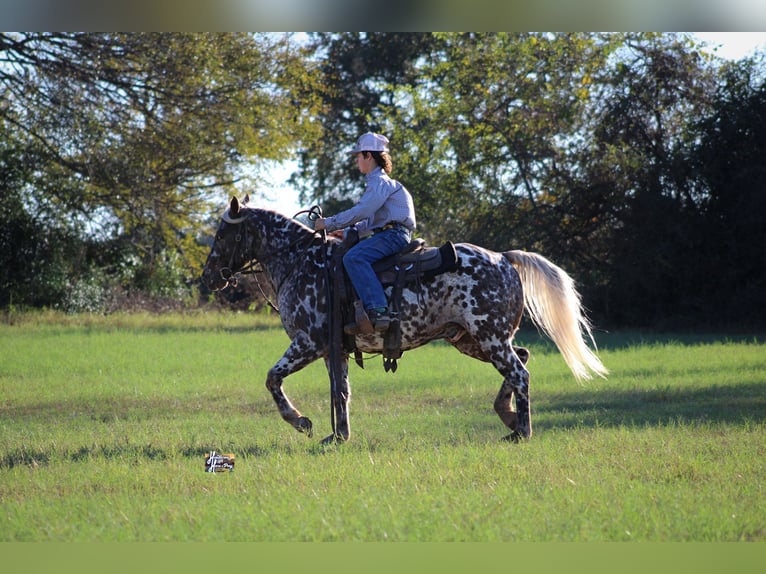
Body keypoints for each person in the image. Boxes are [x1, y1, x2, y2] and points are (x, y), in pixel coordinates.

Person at [315, 132, 416, 333]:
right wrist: (345, 232)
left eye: (358, 155)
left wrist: (329, 223)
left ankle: (379, 310)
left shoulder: (380, 182)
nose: (357, 160)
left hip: (393, 235)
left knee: (354, 258)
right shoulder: (376, 184)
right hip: (387, 233)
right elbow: (370, 221)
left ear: (368, 155)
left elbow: (362, 211)